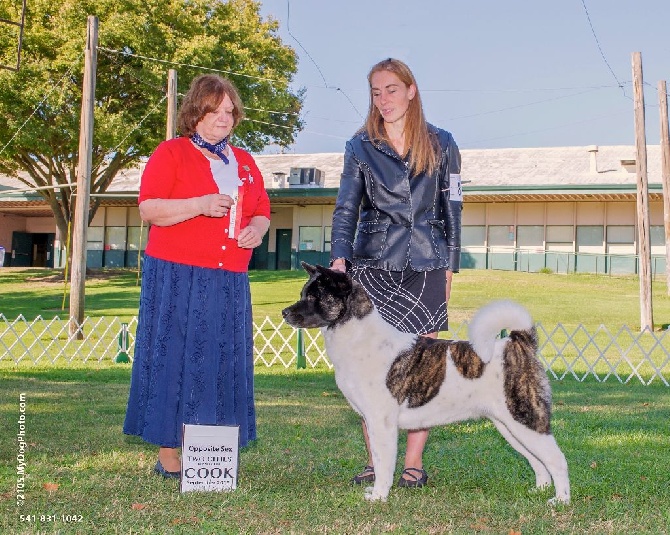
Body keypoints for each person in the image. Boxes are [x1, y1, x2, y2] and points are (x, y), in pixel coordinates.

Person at [123, 74, 271, 479]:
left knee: (221, 361)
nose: (224, 118)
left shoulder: (244, 161)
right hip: (175, 274)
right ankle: (169, 456)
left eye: (230, 112)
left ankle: (208, 456)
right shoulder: (170, 153)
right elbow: (150, 209)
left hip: (228, 278)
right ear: (196, 112)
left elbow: (261, 210)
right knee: (172, 359)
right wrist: (200, 204)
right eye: (214, 110)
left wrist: (257, 231)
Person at [330, 58, 462, 488]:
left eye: (390, 89)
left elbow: (452, 208)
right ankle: (376, 462)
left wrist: (451, 265)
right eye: (375, 91)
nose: (383, 99)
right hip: (373, 266)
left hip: (427, 263)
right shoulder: (359, 147)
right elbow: (346, 208)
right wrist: (339, 259)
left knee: (422, 366)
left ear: (411, 90)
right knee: (372, 368)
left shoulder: (443, 143)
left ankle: (413, 465)